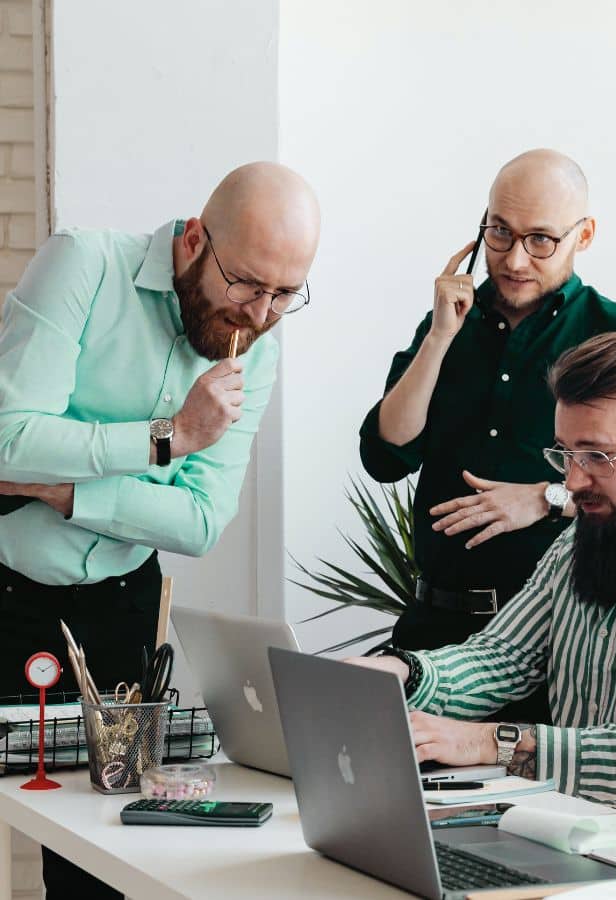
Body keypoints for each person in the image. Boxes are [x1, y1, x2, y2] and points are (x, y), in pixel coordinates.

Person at [0, 161, 320, 899]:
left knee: (99, 858)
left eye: (284, 295)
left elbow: (202, 521)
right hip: (10, 590)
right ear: (196, 240)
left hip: (122, 612)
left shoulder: (259, 346)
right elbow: (11, 438)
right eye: (245, 283)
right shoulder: (85, 263)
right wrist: (166, 440)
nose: (259, 315)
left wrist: (62, 488)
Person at [350, 333, 616, 813]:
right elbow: (501, 657)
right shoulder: (577, 541)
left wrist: (494, 743)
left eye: (596, 456)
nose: (571, 481)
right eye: (565, 455)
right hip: (562, 829)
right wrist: (398, 673)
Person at [359, 149, 616, 722]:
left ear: (584, 235)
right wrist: (441, 335)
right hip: (434, 628)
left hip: (558, 644)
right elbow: (386, 455)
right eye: (500, 233)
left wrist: (544, 499)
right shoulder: (452, 319)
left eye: (541, 239)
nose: (515, 258)